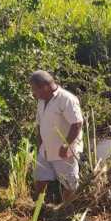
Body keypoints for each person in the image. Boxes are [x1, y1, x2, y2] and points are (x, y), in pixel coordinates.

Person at [29, 70, 84, 203]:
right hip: (46, 150)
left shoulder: (66, 99)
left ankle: (66, 211)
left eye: (35, 89)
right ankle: (38, 208)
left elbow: (77, 123)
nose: (33, 93)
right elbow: (40, 124)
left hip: (64, 152)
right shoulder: (42, 101)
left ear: (45, 86)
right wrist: (39, 145)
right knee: (40, 178)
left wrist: (66, 145)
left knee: (69, 184)